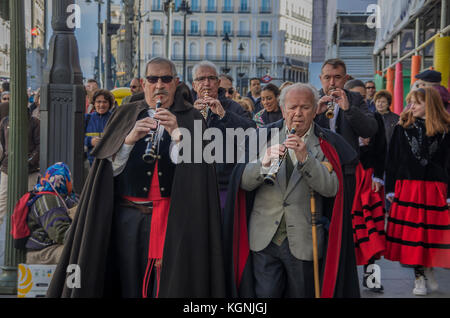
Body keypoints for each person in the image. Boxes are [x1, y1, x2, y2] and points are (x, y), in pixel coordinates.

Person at [47, 57, 225, 298]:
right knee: (127, 278)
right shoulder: (125, 114)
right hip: (128, 218)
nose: (159, 85)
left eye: (165, 79)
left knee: (169, 284)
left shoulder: (192, 119)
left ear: (176, 82)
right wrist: (128, 141)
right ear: (144, 82)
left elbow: (198, 174)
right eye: (153, 79)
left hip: (175, 219)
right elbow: (108, 172)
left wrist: (178, 135)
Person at [223, 83, 360, 298]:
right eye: (292, 107)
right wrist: (264, 164)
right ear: (282, 108)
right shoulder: (262, 137)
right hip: (263, 237)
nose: (298, 113)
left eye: (305, 107)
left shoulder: (326, 144)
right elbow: (242, 183)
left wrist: (307, 159)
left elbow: (332, 189)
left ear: (316, 110)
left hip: (305, 239)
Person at [384, 88, 450, 296]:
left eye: (417, 103)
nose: (411, 106)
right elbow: (392, 159)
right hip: (408, 187)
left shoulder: (445, 130)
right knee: (413, 236)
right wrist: (390, 187)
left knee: (431, 235)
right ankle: (419, 277)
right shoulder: (402, 127)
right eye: (410, 102)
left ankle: (428, 267)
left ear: (429, 104)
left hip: (434, 187)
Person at [192, 60, 255, 210]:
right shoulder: (187, 108)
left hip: (224, 185)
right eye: (201, 79)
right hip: (195, 184)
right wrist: (190, 117)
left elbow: (252, 133)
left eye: (211, 78)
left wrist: (223, 115)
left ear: (218, 82)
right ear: (194, 85)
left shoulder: (234, 107)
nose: (206, 83)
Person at [347, 81, 387, 292]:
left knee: (372, 230)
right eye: (353, 95)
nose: (358, 100)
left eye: (362, 96)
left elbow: (382, 149)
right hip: (348, 179)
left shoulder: (375, 118)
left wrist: (378, 176)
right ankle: (347, 278)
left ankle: (372, 278)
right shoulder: (339, 117)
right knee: (350, 231)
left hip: (368, 178)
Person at [315, 58, 378, 154]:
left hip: (347, 163)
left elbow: (369, 130)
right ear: (321, 79)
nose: (332, 82)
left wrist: (349, 110)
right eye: (327, 77)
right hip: (319, 161)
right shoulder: (312, 99)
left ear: (345, 79)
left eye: (337, 77)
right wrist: (314, 114)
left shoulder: (355, 98)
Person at [25, 162, 78, 265]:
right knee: (80, 253)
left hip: (53, 247)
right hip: (43, 252)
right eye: (69, 178)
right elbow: (60, 234)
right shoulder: (49, 200)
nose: (71, 182)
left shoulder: (65, 197)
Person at [0, 112, 40, 226]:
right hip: (8, 167)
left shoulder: (35, 122)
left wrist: (30, 161)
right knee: (2, 201)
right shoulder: (5, 121)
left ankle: (25, 231)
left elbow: (39, 145)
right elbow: (3, 143)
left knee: (28, 202)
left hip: (30, 170)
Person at [84, 89, 114, 166]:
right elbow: (77, 139)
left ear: (109, 104)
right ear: (94, 103)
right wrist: (90, 141)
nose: (101, 105)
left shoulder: (114, 119)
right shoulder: (87, 118)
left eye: (105, 102)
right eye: (98, 102)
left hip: (109, 164)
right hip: (91, 163)